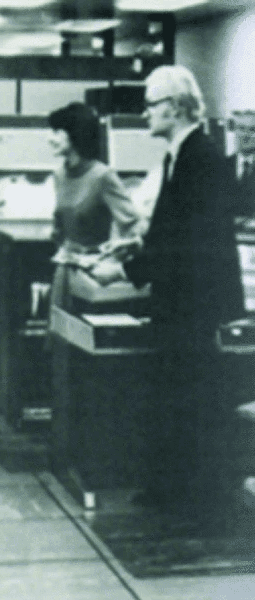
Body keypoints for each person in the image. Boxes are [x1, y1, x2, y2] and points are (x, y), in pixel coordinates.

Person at [121, 65, 245, 523]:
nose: (145, 113)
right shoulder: (185, 156)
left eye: (150, 104)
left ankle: (196, 497)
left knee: (191, 394)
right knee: (176, 391)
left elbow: (186, 241)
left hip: (193, 303)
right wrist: (138, 255)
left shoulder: (200, 159)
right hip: (184, 300)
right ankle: (174, 489)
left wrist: (132, 268)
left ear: (174, 107)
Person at [46, 101, 142, 311]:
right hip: (64, 272)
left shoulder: (103, 176)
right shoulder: (59, 175)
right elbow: (59, 229)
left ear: (75, 134)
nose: (50, 139)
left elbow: (132, 227)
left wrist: (114, 259)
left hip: (95, 277)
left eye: (57, 132)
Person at [229, 109, 255, 220]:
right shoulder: (220, 166)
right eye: (241, 128)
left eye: (252, 130)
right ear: (234, 131)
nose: (246, 135)